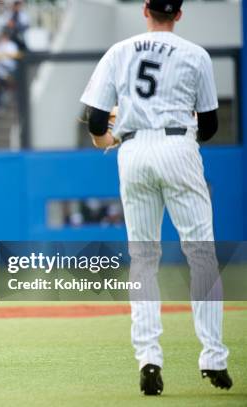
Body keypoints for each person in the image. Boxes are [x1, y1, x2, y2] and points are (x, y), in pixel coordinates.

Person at [80, 0, 232, 396]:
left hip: (132, 150)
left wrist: (106, 139)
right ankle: (213, 356)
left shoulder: (120, 50)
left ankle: (149, 357)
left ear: (145, 9)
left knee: (144, 257)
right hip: (178, 144)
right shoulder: (196, 54)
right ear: (178, 13)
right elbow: (211, 126)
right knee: (200, 253)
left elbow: (95, 118)